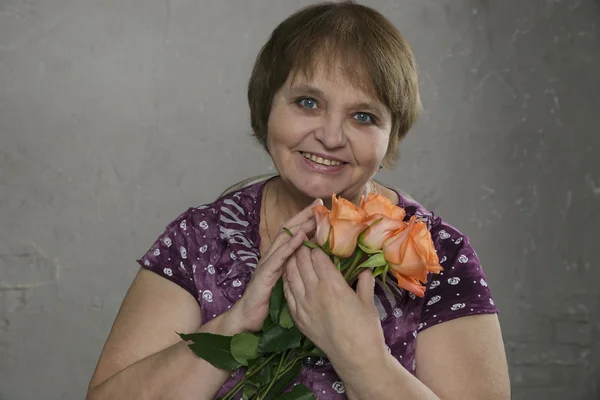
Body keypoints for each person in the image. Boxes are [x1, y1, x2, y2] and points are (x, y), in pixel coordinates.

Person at [87, 2, 510, 399]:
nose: (330, 136)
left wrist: (362, 359)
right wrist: (232, 327)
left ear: (390, 134)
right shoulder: (201, 238)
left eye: (363, 116)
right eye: (307, 102)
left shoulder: (437, 254)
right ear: (266, 107)